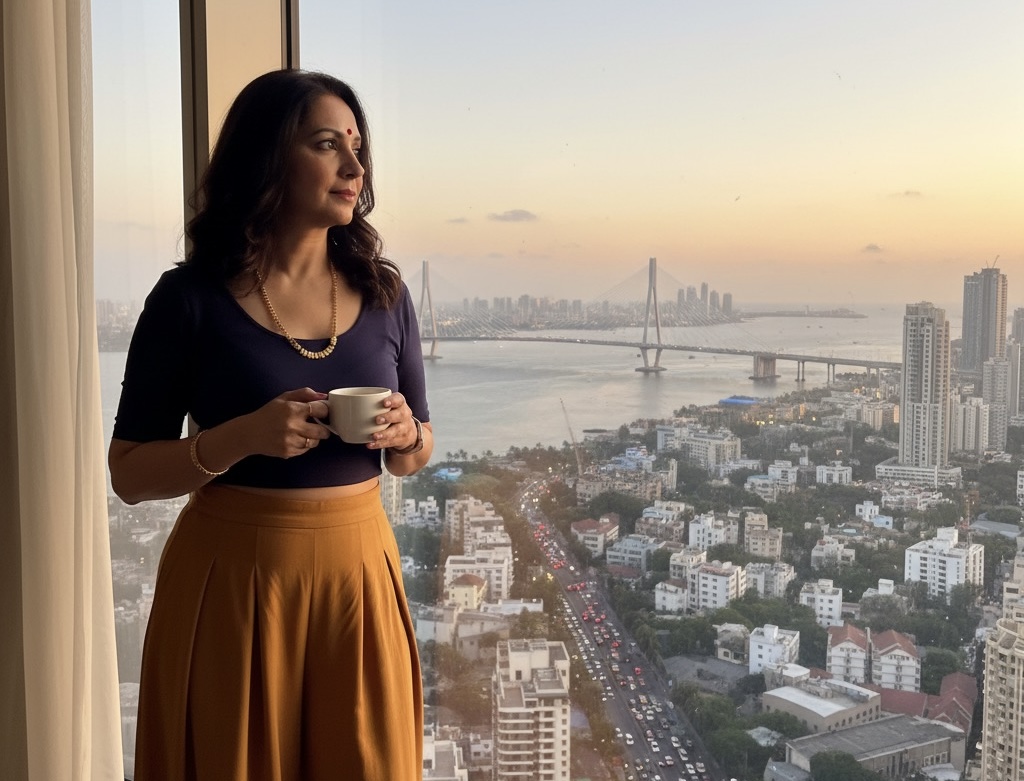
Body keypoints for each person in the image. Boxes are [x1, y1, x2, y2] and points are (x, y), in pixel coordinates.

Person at [109, 69, 432, 781]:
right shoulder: (187, 299)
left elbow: (417, 453)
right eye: (327, 145)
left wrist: (407, 435)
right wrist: (241, 437)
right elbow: (127, 472)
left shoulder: (385, 293)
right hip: (231, 586)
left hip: (358, 583)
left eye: (357, 147)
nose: (355, 167)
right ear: (268, 160)